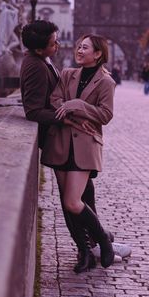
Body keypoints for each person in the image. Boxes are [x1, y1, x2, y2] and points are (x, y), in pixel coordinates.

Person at [20, 22, 100, 266]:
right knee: (73, 200)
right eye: (53, 41)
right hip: (59, 141)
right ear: (40, 47)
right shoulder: (34, 66)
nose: (58, 44)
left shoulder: (43, 61)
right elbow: (33, 110)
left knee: (82, 194)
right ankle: (92, 245)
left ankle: (92, 246)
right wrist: (67, 120)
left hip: (68, 141)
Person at [42, 35, 116, 273]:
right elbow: (54, 100)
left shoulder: (106, 82)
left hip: (85, 146)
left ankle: (103, 240)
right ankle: (84, 251)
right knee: (67, 204)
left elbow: (105, 115)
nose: (79, 50)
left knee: (73, 202)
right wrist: (73, 116)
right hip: (61, 143)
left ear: (98, 54)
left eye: (85, 47)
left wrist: (77, 105)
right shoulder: (66, 74)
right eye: (79, 46)